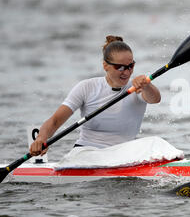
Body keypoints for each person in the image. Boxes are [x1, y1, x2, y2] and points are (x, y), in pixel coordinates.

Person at [29, 35, 161, 156]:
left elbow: (155, 99)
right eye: (120, 67)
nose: (126, 72)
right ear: (105, 66)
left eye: (130, 66)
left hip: (125, 152)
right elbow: (55, 121)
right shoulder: (87, 87)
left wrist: (147, 85)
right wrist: (41, 139)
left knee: (156, 142)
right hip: (87, 151)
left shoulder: (137, 87)